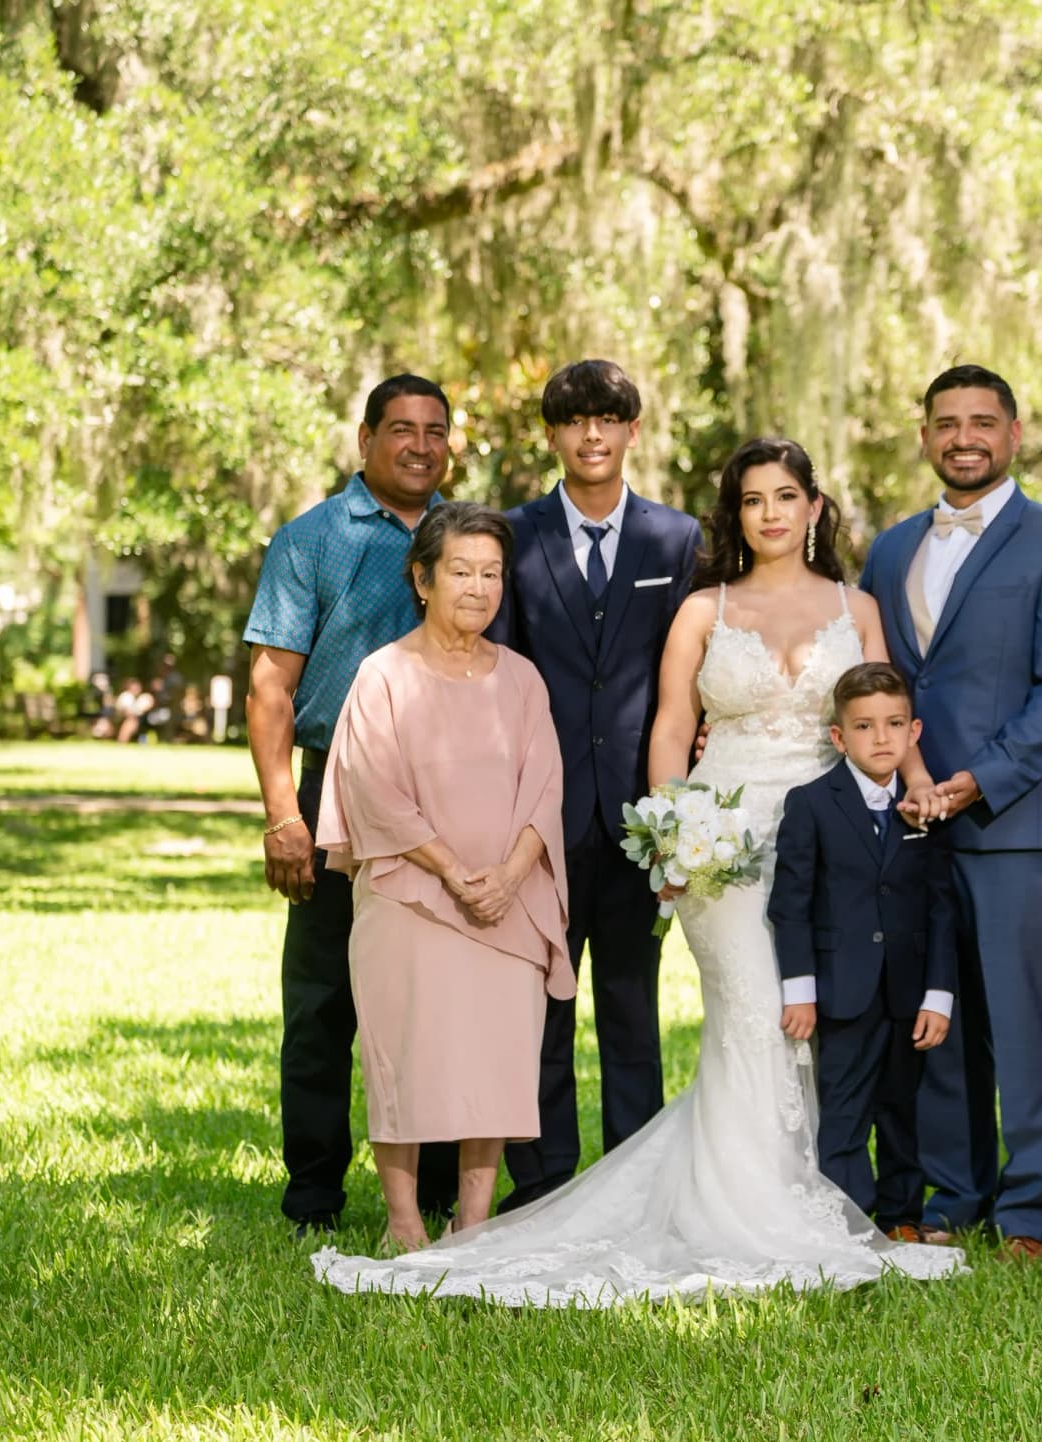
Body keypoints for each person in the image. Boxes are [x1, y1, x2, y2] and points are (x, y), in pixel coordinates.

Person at [312, 437, 962, 1304]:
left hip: (836, 841)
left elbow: (884, 703)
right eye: (752, 500)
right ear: (734, 516)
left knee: (819, 1015)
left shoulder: (860, 607)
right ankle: (748, 1202)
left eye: (784, 496)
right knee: (756, 1011)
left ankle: (818, 1188)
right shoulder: (701, 608)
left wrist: (919, 786)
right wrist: (672, 831)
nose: (769, 513)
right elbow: (670, 728)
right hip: (724, 844)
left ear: (814, 507)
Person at [859, 364, 1042, 1259]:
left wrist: (975, 780)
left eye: (981, 422)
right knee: (937, 1019)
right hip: (915, 822)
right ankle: (955, 1195)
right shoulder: (891, 550)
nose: (963, 437)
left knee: (1020, 1021)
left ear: (1014, 433)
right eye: (946, 423)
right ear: (925, 435)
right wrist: (909, 781)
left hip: (1019, 827)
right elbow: (882, 680)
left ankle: (1030, 1208)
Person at [314, 502, 573, 1253]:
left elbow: (545, 786)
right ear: (422, 579)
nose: (478, 588)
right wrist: (455, 872)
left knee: (493, 1060)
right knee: (403, 1055)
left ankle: (474, 1220)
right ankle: (403, 1222)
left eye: (492, 574)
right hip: (410, 896)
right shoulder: (382, 676)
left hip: (506, 902)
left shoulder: (521, 679)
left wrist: (510, 875)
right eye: (461, 571)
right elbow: (373, 789)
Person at [242, 373, 463, 1237]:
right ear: (365, 439)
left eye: (435, 431)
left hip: (451, 790)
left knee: (439, 997)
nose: (420, 445)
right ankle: (313, 1197)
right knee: (323, 1000)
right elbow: (270, 687)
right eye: (401, 429)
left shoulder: (468, 536)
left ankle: (440, 1193)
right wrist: (282, 816)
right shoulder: (311, 539)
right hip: (335, 783)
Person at [487, 360, 703, 1212]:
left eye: (607, 419)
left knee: (631, 1007)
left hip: (638, 819)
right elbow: (502, 678)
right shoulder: (514, 534)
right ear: (552, 435)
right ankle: (542, 1185)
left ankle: (631, 1190)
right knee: (537, 1007)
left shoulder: (675, 540)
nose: (591, 435)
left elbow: (689, 681)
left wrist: (677, 809)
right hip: (540, 818)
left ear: (632, 431)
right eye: (574, 420)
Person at [768, 661, 957, 1239]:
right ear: (838, 736)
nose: (881, 738)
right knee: (845, 1106)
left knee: (902, 1107)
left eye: (894, 724)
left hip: (908, 989)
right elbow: (790, 905)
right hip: (841, 988)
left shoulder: (925, 810)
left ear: (913, 732)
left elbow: (942, 907)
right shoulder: (811, 804)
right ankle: (848, 1220)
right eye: (865, 726)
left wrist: (939, 994)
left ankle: (901, 1215)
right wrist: (800, 991)